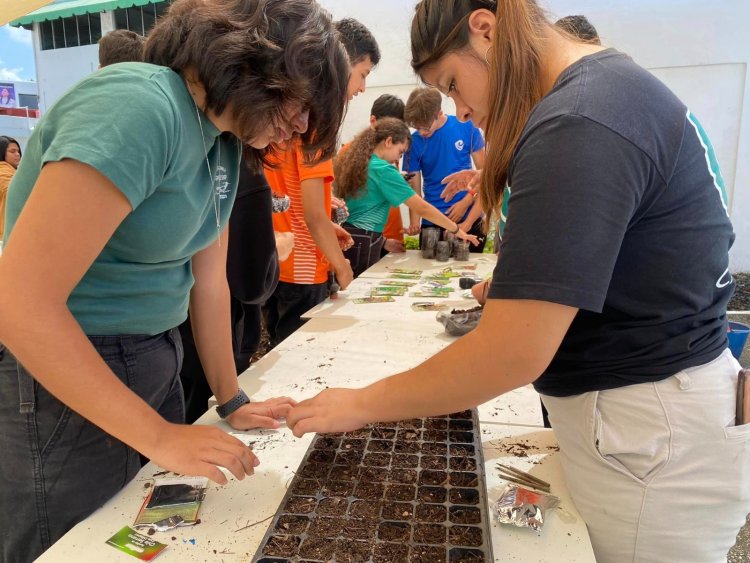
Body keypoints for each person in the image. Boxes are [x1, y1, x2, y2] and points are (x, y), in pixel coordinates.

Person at [287, 2, 747, 562]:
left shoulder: (579, 118)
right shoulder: (604, 92)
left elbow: (511, 353)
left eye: (453, 84)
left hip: (649, 440)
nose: (463, 109)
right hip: (651, 423)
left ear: (485, 29)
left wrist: (361, 403)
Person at [0, 0, 350, 560]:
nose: (302, 126)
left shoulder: (226, 146)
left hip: (156, 361)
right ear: (254, 56)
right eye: (303, 103)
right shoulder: (140, 103)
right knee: (69, 546)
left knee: (146, 540)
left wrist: (231, 396)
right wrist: (159, 435)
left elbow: (207, 283)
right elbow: (19, 303)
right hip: (66, 380)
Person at [263, 17, 380, 346]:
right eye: (363, 74)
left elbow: (288, 191)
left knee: (275, 353)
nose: (362, 88)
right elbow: (313, 216)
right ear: (340, 63)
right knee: (295, 358)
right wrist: (342, 268)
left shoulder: (288, 111)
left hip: (274, 260)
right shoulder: (316, 123)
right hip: (301, 267)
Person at [336, 118, 478, 276]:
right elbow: (422, 208)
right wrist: (457, 229)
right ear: (389, 141)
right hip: (364, 240)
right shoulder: (384, 170)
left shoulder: (363, 162)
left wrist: (382, 242)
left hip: (350, 235)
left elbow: (362, 208)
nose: (398, 159)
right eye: (400, 152)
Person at [403, 86, 487, 251]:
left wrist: (465, 203)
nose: (421, 132)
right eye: (416, 127)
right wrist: (415, 222)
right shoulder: (413, 143)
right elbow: (414, 190)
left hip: (469, 218)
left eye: (425, 127)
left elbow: (486, 176)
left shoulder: (466, 126)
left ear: (440, 113)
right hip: (432, 222)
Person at [0, 135, 21, 242]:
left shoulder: (12, 171)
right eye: (12, 151)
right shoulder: (2, 171)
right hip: (7, 235)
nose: (17, 154)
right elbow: (12, 194)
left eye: (18, 151)